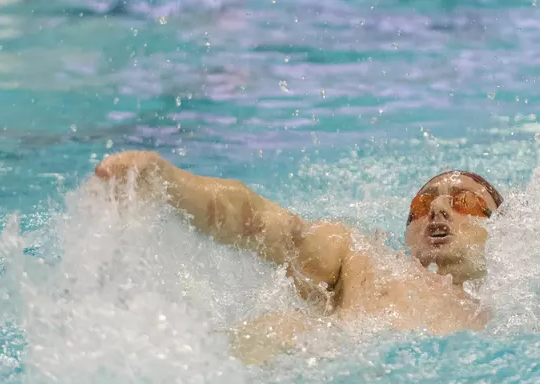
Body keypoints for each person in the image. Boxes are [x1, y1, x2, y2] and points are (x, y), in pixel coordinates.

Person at [94, 151, 504, 364]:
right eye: (421, 204)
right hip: (326, 383)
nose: (439, 210)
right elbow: (272, 227)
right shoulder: (360, 259)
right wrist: (170, 183)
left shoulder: (513, 313)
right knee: (283, 327)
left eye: (466, 202)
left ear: (502, 231)